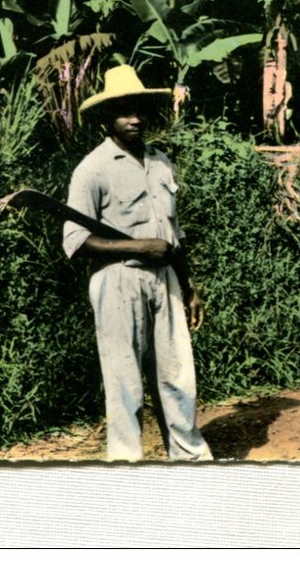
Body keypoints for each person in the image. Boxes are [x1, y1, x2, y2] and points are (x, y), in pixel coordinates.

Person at [63, 65, 212, 461]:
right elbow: (77, 242)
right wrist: (136, 248)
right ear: (106, 119)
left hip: (165, 280)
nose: (135, 118)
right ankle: (127, 465)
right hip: (117, 282)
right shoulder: (92, 169)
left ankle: (191, 460)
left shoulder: (161, 163)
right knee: (125, 381)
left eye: (139, 110)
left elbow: (173, 236)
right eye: (124, 111)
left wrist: (190, 287)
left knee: (178, 376)